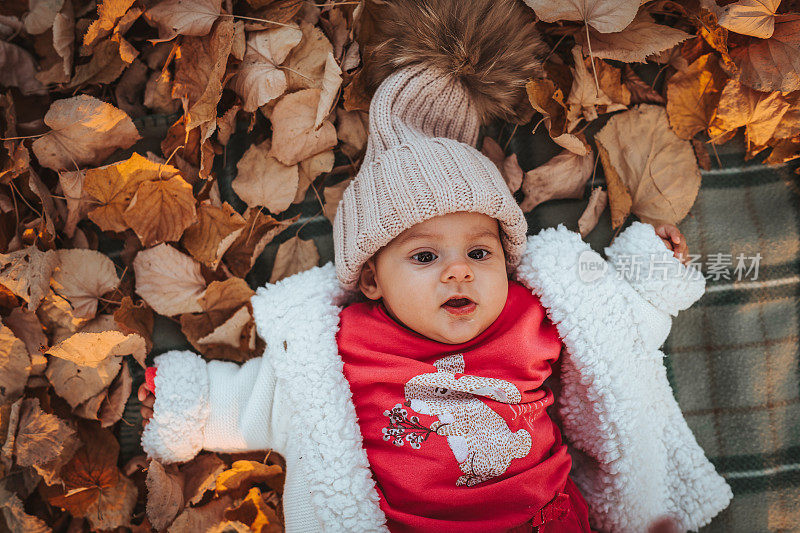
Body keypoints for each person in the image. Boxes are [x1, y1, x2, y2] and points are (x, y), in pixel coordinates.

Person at [138, 0, 732, 531]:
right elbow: (261, 401)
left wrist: (653, 268)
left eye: (480, 252)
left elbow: (619, 338)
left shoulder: (533, 318)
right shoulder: (343, 345)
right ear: (371, 277)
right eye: (425, 256)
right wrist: (189, 403)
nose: (459, 272)